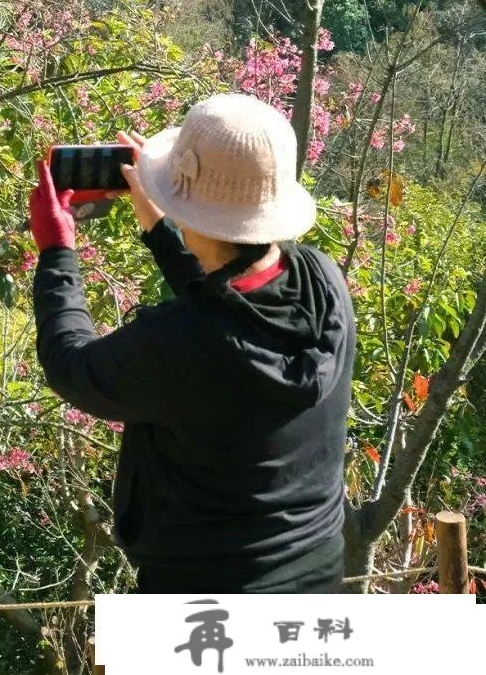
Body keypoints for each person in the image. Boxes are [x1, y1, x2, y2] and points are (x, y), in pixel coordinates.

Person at [29, 91, 355, 594]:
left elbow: (71, 366)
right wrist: (162, 231)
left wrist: (56, 251)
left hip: (199, 592)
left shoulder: (177, 343)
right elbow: (229, 316)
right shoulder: (320, 279)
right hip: (315, 571)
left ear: (190, 206)